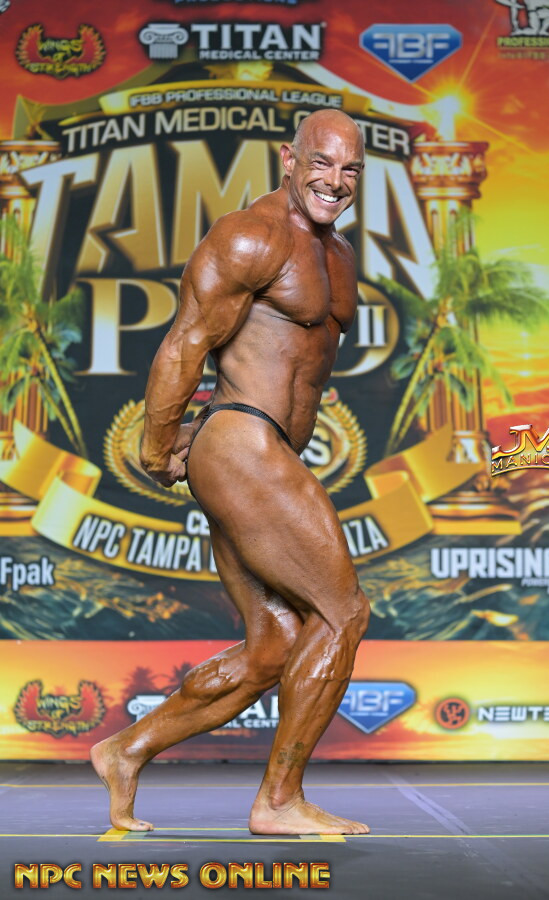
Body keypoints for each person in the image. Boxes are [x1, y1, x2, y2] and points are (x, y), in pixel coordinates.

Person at [91, 109, 371, 836]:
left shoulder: (338, 254)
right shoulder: (252, 236)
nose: (335, 181)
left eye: (350, 169)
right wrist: (158, 448)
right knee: (343, 613)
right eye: (321, 163)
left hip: (265, 448)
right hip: (243, 442)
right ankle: (278, 801)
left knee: (272, 648)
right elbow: (186, 343)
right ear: (289, 158)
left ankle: (125, 750)